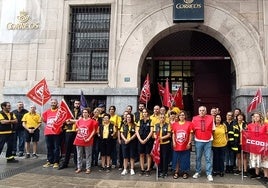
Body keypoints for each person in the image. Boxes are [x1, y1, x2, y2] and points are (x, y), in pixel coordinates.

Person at [192, 106, 214, 182]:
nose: (202, 111)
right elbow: (192, 130)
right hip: (198, 140)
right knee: (198, 158)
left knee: (208, 158)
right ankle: (198, 172)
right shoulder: (194, 118)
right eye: (200, 110)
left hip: (208, 141)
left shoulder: (211, 118)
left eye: (203, 110)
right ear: (198, 111)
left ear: (206, 111)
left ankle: (209, 173)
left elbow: (213, 129)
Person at [58, 99, 81, 170]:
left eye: (78, 104)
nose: (77, 105)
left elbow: (80, 121)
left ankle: (77, 164)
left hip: (77, 132)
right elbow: (64, 119)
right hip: (68, 131)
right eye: (76, 103)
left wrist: (71, 121)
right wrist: (67, 122)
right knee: (67, 148)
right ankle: (65, 163)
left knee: (76, 149)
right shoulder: (69, 111)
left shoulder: (82, 112)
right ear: (74, 104)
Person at [74, 108, 97, 174]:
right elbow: (76, 128)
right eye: (83, 112)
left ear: (88, 113)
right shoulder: (79, 120)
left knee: (88, 155)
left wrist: (89, 138)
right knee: (79, 155)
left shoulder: (92, 121)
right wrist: (77, 130)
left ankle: (88, 168)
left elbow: (93, 130)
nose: (84, 113)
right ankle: (79, 167)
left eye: (86, 112)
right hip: (79, 139)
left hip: (87, 140)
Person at [171, 110, 193, 179]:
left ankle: (185, 172)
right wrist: (174, 142)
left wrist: (189, 142)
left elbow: (191, 134)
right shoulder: (175, 124)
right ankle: (176, 172)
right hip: (177, 144)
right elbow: (173, 134)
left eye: (183, 115)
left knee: (185, 159)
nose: (181, 116)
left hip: (185, 144)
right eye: (180, 115)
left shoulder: (189, 123)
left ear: (185, 116)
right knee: (176, 158)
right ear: (178, 116)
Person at [247, 112, 268, 181]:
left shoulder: (265, 125)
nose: (256, 118)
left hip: (262, 145)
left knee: (264, 160)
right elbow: (248, 135)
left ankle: (266, 176)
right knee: (255, 160)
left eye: (257, 116)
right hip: (254, 145)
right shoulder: (250, 125)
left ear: (260, 117)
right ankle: (257, 174)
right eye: (254, 116)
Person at [42, 99, 61, 169]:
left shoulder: (59, 112)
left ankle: (56, 162)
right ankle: (49, 161)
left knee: (56, 148)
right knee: (49, 147)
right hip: (48, 132)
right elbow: (45, 120)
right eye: (52, 103)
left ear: (57, 104)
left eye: (54, 103)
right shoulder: (47, 112)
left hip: (56, 132)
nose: (53, 104)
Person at [136, 108, 153, 176]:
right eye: (143, 112)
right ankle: (142, 169)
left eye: (146, 112)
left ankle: (148, 169)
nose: (144, 113)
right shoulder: (139, 121)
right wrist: (140, 139)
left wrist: (146, 139)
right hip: (140, 140)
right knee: (141, 155)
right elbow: (137, 131)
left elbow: (151, 131)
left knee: (148, 155)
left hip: (148, 140)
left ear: (148, 113)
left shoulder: (151, 121)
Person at [154, 114, 171, 178]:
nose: (162, 118)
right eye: (161, 117)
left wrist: (161, 138)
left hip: (165, 143)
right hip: (158, 144)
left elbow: (168, 134)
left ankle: (165, 172)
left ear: (165, 118)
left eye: (163, 117)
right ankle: (159, 171)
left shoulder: (168, 125)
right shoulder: (156, 125)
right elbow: (154, 133)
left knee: (165, 158)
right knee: (159, 158)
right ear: (159, 118)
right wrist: (156, 137)